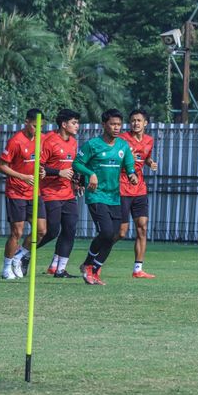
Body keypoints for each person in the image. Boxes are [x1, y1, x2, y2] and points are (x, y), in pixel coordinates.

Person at [73, 109, 138, 285]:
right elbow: (77, 163)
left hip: (114, 196)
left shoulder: (123, 146)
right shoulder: (92, 145)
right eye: (112, 124)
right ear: (104, 125)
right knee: (107, 232)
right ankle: (88, 265)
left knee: (114, 235)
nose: (116, 128)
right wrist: (90, 174)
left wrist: (132, 175)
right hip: (96, 195)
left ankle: (93, 270)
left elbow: (129, 166)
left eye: (119, 124)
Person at [0, 108, 47, 280]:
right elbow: (1, 166)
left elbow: (36, 162)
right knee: (16, 232)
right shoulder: (16, 141)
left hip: (34, 192)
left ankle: (19, 257)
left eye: (40, 127)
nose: (37, 130)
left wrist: (42, 171)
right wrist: (23, 177)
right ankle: (6, 267)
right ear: (26, 122)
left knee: (41, 231)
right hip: (16, 192)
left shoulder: (40, 140)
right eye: (34, 126)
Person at [115, 109, 158, 278]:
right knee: (121, 232)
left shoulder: (149, 140)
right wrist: (125, 158)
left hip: (140, 189)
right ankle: (97, 260)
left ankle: (138, 269)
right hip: (123, 188)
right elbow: (114, 158)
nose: (136, 123)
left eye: (139, 120)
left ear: (145, 123)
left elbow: (145, 157)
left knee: (142, 227)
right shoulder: (122, 140)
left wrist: (150, 163)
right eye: (133, 120)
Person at [38, 109, 81, 278]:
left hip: (68, 194)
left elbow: (72, 167)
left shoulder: (73, 142)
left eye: (77, 123)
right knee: (52, 231)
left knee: (70, 230)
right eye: (74, 123)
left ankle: (60, 269)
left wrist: (77, 182)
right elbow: (38, 167)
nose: (77, 126)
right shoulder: (49, 141)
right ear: (64, 124)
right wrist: (58, 173)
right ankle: (24, 253)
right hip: (50, 193)